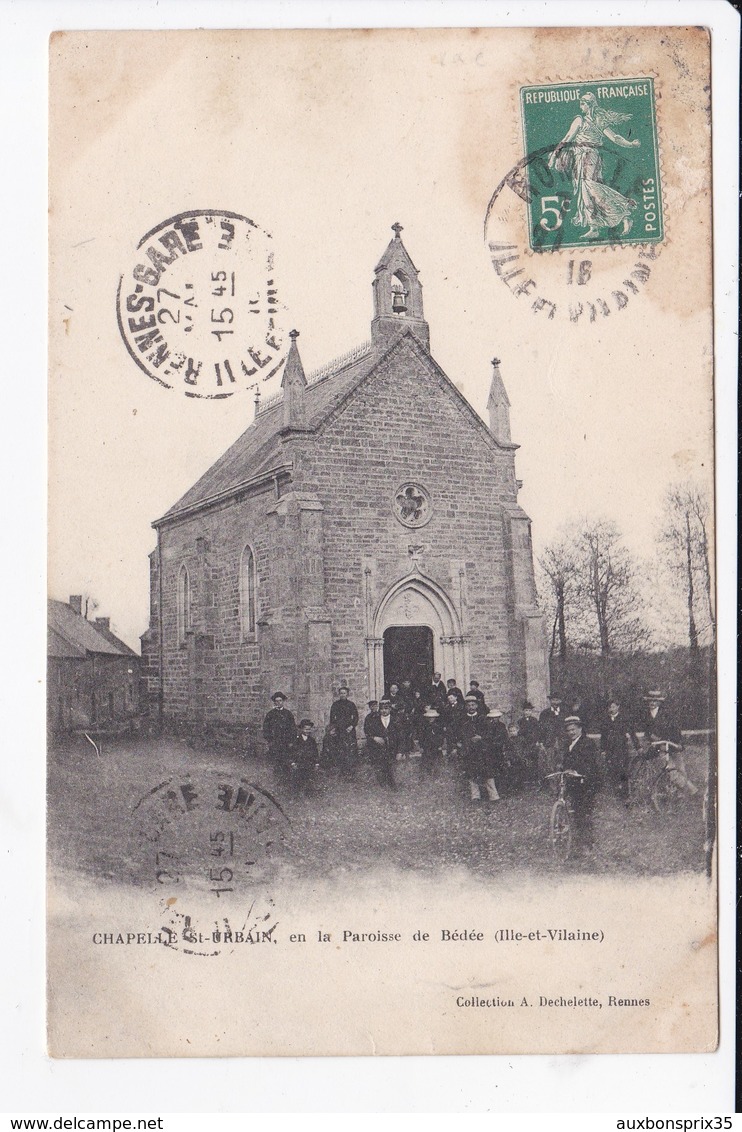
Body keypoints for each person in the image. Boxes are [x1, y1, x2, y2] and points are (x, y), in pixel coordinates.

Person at [548, 91, 641, 239]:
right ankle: (596, 226)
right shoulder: (582, 120)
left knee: (590, 187)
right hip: (581, 157)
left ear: (590, 105)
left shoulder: (593, 121)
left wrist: (630, 144)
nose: (581, 106)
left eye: (583, 103)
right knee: (586, 190)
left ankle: (623, 210)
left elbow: (615, 138)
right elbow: (567, 139)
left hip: (590, 157)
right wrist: (555, 154)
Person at [639, 690, 698, 796]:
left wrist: (672, 741)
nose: (652, 703)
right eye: (650, 701)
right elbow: (646, 731)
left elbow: (675, 729)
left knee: (681, 769)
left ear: (659, 702)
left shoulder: (667, 713)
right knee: (671, 770)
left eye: (655, 701)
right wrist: (652, 737)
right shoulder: (646, 715)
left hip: (673, 744)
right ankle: (692, 791)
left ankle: (683, 794)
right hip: (660, 747)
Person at [562, 715, 600, 850]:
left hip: (587, 782)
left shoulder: (587, 743)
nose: (571, 733)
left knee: (584, 813)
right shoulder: (567, 744)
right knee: (576, 811)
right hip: (574, 782)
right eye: (568, 730)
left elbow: (591, 763)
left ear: (580, 729)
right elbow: (565, 760)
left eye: (573, 729)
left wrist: (578, 771)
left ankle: (587, 844)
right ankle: (578, 840)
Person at [460, 696, 500, 802]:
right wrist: (467, 742)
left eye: (473, 705)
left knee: (488, 773)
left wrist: (481, 738)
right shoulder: (463, 719)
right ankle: (475, 796)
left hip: (483, 750)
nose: (471, 707)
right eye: (469, 705)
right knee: (472, 773)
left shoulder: (483, 719)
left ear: (477, 706)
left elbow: (489, 733)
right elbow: (460, 734)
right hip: (470, 750)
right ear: (466, 707)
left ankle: (493, 795)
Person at [600, 696, 640, 799]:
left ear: (618, 707)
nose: (611, 709)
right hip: (610, 750)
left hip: (621, 749)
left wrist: (638, 747)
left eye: (613, 707)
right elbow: (603, 737)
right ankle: (615, 793)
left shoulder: (624, 719)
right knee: (611, 771)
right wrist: (603, 750)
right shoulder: (605, 720)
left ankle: (625, 795)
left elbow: (632, 734)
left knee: (623, 771)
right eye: (609, 707)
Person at [364, 699, 401, 788]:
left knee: (392, 768)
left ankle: (393, 785)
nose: (384, 711)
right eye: (382, 709)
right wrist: (374, 738)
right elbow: (368, 732)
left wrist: (400, 752)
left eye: (386, 708)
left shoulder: (396, 719)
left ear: (390, 709)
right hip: (379, 749)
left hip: (392, 749)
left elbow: (401, 737)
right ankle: (382, 785)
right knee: (380, 767)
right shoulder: (374, 720)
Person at [327, 685, 359, 779]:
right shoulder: (335, 705)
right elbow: (332, 719)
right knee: (340, 749)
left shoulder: (351, 704)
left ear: (347, 694)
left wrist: (352, 726)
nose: (342, 695)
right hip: (339, 730)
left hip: (349, 730)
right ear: (339, 694)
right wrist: (334, 728)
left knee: (350, 750)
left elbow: (356, 717)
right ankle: (342, 771)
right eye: (341, 693)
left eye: (344, 693)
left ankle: (351, 771)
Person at [262, 692, 296, 778]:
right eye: (276, 701)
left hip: (286, 741)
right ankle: (277, 776)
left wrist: (291, 741)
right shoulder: (270, 714)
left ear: (283, 701)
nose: (278, 703)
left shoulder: (288, 714)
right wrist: (269, 740)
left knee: (286, 758)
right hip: (275, 741)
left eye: (280, 701)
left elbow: (293, 728)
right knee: (276, 760)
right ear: (274, 702)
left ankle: (287, 776)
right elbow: (266, 728)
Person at [539, 693, 565, 786]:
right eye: (553, 700)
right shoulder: (544, 713)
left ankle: (562, 785)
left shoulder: (565, 712)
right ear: (550, 701)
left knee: (562, 762)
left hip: (562, 742)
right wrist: (541, 741)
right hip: (549, 742)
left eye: (557, 700)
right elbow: (541, 728)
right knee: (550, 764)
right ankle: (553, 786)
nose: (555, 702)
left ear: (560, 701)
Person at [289, 719, 320, 794]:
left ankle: (308, 794)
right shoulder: (296, 740)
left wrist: (316, 763)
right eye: (306, 729)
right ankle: (297, 794)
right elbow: (292, 752)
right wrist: (293, 763)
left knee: (309, 780)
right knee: (298, 781)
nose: (308, 731)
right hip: (299, 764)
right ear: (302, 729)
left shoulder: (312, 740)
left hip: (309, 764)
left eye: (309, 729)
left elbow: (315, 752)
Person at [517, 700, 543, 790]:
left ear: (531, 712)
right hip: (524, 744)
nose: (527, 712)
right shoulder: (520, 721)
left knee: (534, 762)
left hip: (533, 744)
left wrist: (537, 741)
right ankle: (526, 783)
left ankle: (535, 782)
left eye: (529, 710)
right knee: (525, 762)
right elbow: (519, 732)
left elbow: (538, 732)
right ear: (523, 711)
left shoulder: (534, 720)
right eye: (525, 710)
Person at [419, 705, 444, 779]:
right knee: (426, 762)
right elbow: (421, 737)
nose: (431, 719)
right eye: (429, 717)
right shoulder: (424, 726)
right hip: (426, 747)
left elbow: (441, 736)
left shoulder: (438, 726)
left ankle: (437, 777)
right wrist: (421, 746)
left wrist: (440, 745)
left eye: (432, 717)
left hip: (436, 747)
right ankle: (427, 777)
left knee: (437, 762)